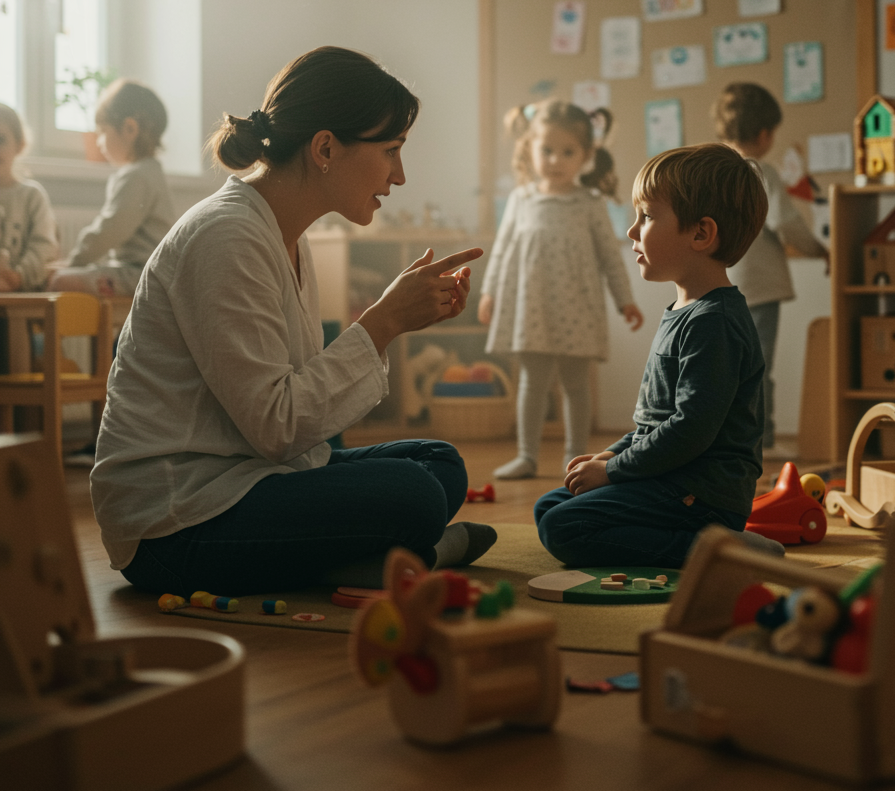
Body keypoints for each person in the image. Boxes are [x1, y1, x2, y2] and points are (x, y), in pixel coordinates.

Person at [90, 47, 494, 596]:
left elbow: (294, 415)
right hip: (177, 524)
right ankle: (409, 556)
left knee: (437, 463)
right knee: (413, 494)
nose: (399, 175)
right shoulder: (226, 237)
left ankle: (372, 559)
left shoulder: (285, 235)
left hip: (250, 473)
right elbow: (278, 426)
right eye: (391, 151)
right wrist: (382, 323)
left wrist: (393, 320)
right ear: (325, 148)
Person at [534, 143, 772, 569]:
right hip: (671, 479)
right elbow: (656, 424)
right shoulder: (686, 311)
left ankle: (723, 551)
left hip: (701, 496)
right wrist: (611, 456)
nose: (632, 231)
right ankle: (705, 544)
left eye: (646, 217)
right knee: (551, 507)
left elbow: (689, 430)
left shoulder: (714, 322)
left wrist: (614, 471)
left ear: (701, 234)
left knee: (562, 527)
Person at [478, 99, 643, 480]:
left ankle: (576, 458)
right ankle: (527, 456)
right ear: (530, 149)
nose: (556, 160)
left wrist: (626, 301)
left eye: (568, 152)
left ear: (586, 155)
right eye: (547, 150)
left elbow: (611, 257)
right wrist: (489, 293)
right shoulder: (521, 199)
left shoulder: (590, 204)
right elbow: (501, 250)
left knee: (576, 385)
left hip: (577, 310)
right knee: (532, 383)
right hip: (531, 308)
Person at [712, 82, 829, 454]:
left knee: (724, 367)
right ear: (764, 134)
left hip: (716, 284)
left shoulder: (711, 172)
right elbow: (785, 221)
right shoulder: (761, 171)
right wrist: (820, 250)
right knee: (756, 367)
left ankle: (724, 442)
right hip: (758, 287)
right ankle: (762, 442)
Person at [48, 79, 175, 297]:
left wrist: (74, 262)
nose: (98, 142)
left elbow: (108, 231)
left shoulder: (136, 176)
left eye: (103, 131)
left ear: (129, 129)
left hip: (145, 277)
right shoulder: (150, 172)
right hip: (146, 273)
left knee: (61, 280)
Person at [0, 103, 59, 293]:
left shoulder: (32, 196)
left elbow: (44, 247)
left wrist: (18, 277)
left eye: (1, 139)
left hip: (23, 296)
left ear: (19, 145)